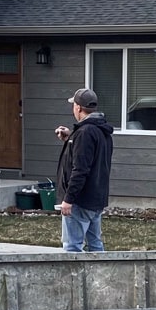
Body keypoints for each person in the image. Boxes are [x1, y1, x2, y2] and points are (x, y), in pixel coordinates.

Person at [54, 87, 114, 252]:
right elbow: (91, 159)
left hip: (80, 201)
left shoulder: (84, 133)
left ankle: (72, 278)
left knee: (72, 247)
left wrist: (68, 199)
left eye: (74, 105)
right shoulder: (101, 131)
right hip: (96, 199)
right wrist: (70, 138)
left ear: (78, 108)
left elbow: (80, 169)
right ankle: (100, 277)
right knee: (95, 245)